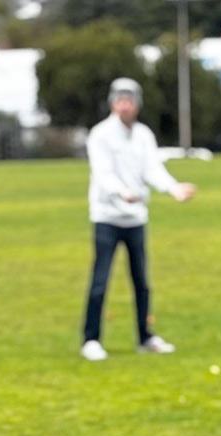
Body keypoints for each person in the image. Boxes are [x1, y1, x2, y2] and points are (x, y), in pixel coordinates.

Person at [81, 78, 196, 362]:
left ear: (137, 104)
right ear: (112, 103)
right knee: (100, 281)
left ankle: (145, 337)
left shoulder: (143, 135)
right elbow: (103, 173)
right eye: (120, 100)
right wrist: (122, 192)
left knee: (142, 282)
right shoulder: (100, 134)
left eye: (130, 100)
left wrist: (173, 189)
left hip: (135, 219)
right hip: (107, 217)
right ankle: (91, 340)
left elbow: (152, 169)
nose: (125, 106)